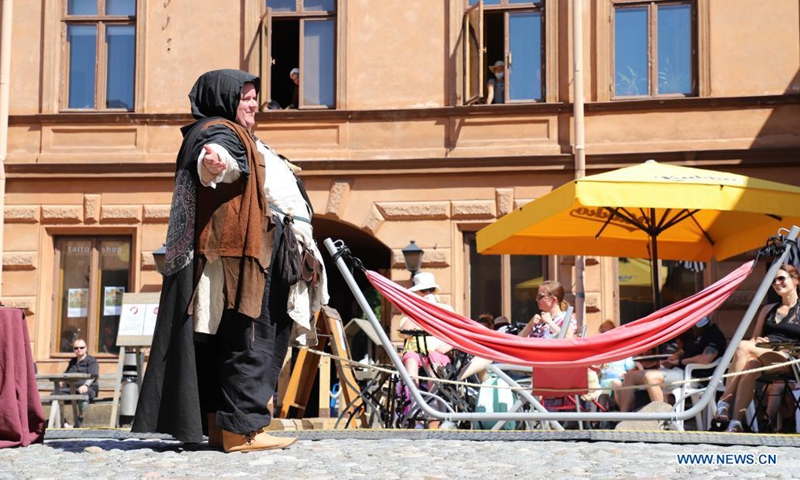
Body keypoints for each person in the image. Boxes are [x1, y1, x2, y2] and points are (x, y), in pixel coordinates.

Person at [132, 69, 328, 453]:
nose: (254, 105)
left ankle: (222, 427)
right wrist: (213, 164)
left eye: (255, 98)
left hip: (260, 252)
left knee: (234, 340)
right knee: (254, 339)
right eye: (245, 98)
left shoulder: (240, 135)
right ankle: (243, 430)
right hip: (252, 257)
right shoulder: (221, 133)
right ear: (224, 100)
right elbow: (220, 157)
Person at [712, 264, 800, 433]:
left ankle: (724, 401)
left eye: (781, 278)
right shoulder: (768, 309)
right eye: (773, 280)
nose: (777, 283)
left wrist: (784, 349)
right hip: (763, 352)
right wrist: (757, 340)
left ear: (795, 280)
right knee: (750, 364)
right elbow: (754, 338)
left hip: (790, 357)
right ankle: (736, 423)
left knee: (742, 345)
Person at [618, 316, 726, 413]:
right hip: (678, 371)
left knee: (650, 377)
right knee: (630, 376)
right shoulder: (696, 335)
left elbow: (706, 359)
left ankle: (662, 419)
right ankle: (622, 420)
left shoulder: (715, 334)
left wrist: (680, 361)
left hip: (694, 376)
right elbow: (683, 351)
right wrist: (673, 358)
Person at [596, 320, 640, 410]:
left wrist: (626, 374)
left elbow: (631, 367)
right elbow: (594, 369)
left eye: (607, 333)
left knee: (624, 384)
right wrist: (600, 366)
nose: (605, 336)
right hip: (605, 381)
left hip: (622, 379)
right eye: (603, 333)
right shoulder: (600, 350)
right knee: (617, 383)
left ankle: (623, 410)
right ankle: (623, 413)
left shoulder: (622, 350)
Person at [55, 339, 98, 428]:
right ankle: (63, 422)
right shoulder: (73, 361)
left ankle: (78, 423)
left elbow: (93, 376)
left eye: (81, 347)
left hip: (88, 389)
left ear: (86, 348)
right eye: (76, 348)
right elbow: (66, 374)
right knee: (55, 395)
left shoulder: (92, 361)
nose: (79, 350)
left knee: (83, 396)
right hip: (72, 389)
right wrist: (62, 380)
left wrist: (85, 385)